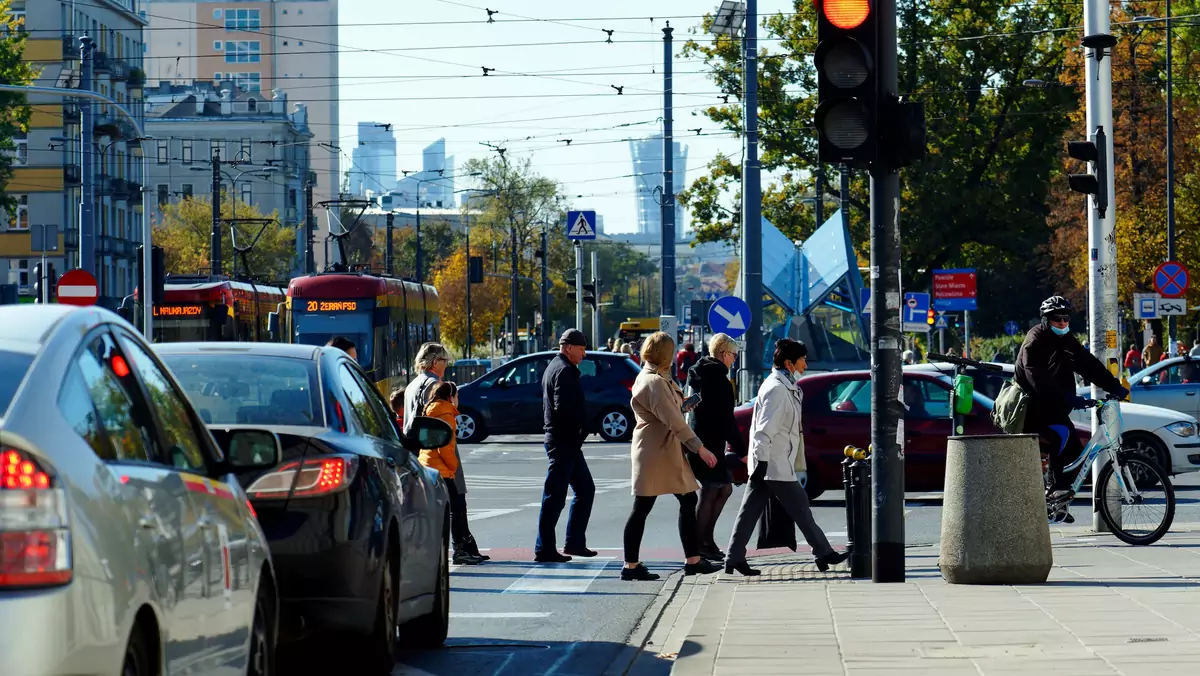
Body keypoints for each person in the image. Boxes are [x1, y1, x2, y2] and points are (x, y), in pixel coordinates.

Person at [725, 339, 849, 576]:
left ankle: (733, 558)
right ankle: (824, 552)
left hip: (774, 462)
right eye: (802, 360)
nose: (805, 364)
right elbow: (763, 430)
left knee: (751, 512)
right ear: (789, 363)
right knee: (801, 509)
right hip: (772, 464)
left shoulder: (785, 386)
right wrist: (761, 463)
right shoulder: (777, 389)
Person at [1015, 296, 1129, 524]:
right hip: (1033, 407)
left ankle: (1056, 504)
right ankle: (1055, 490)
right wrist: (1068, 397)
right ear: (1046, 320)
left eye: (1066, 319)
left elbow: (1088, 365)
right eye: (1057, 320)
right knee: (1063, 437)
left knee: (1074, 450)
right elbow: (1036, 379)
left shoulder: (1067, 340)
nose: (1063, 324)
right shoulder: (1034, 340)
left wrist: (1114, 386)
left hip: (1055, 407)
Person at [621, 332, 721, 581]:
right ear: (665, 355)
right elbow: (674, 421)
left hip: (659, 449)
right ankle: (633, 566)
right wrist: (701, 448)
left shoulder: (654, 378)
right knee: (645, 506)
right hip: (657, 450)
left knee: (682, 500)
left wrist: (684, 404)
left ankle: (690, 560)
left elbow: (668, 412)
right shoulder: (654, 381)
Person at [402, 343, 489, 561]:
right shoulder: (434, 385)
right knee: (455, 503)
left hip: (418, 453)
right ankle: (461, 547)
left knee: (428, 508)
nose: (446, 365)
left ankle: (456, 547)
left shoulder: (412, 385)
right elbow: (438, 425)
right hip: (438, 452)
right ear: (434, 362)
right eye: (444, 361)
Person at [535, 329, 597, 563]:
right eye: (581, 349)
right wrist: (581, 427)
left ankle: (574, 542)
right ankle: (544, 548)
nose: (583, 354)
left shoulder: (557, 366)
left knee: (585, 490)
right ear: (568, 347)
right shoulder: (563, 371)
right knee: (554, 496)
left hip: (566, 442)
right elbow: (564, 408)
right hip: (563, 442)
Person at [686, 333, 747, 562]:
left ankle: (706, 540)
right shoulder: (719, 380)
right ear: (723, 354)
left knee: (721, 488)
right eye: (733, 355)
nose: (734, 360)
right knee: (714, 488)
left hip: (700, 441)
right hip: (707, 445)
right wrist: (741, 452)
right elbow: (727, 420)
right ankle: (700, 544)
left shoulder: (699, 372)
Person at [420, 382, 484, 565]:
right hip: (443, 470)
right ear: (450, 397)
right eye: (456, 396)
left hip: (428, 465)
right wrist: (454, 467)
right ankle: (461, 551)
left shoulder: (430, 410)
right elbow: (446, 447)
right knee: (456, 509)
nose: (457, 400)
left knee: (440, 511)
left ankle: (457, 550)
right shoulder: (447, 414)